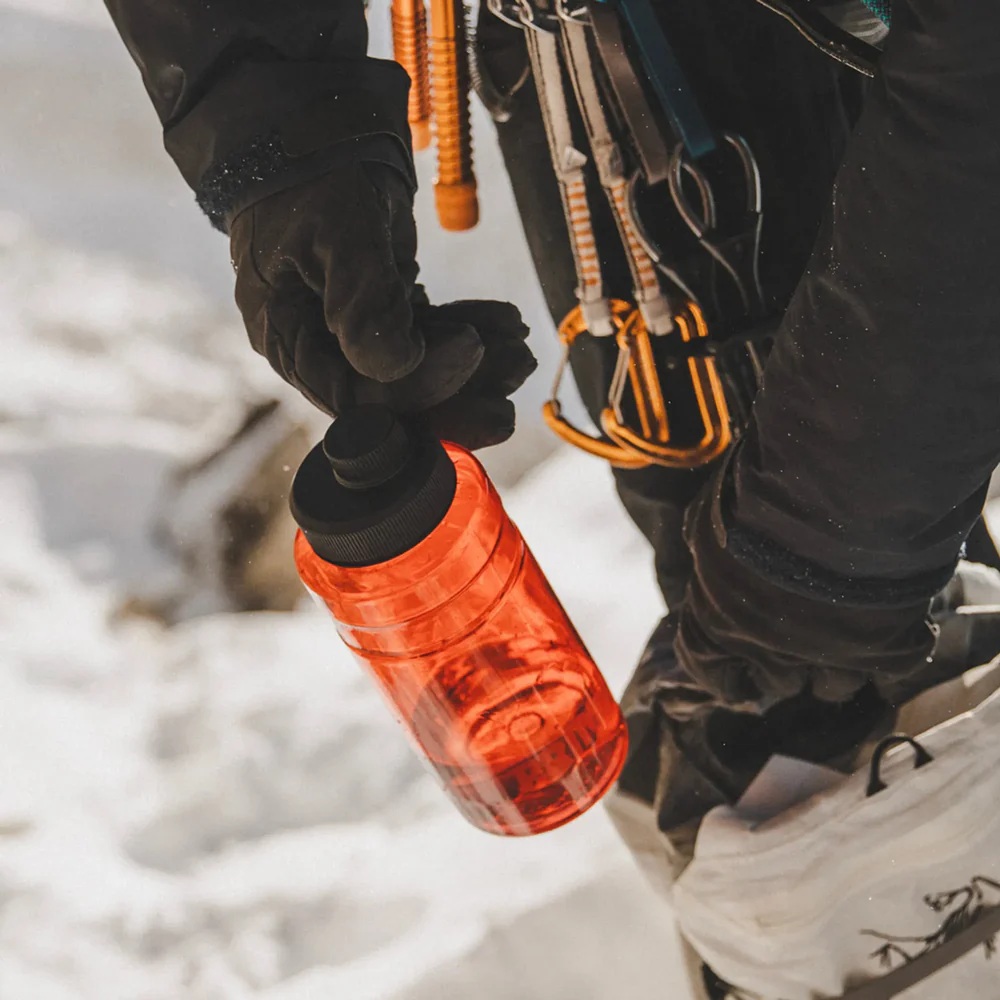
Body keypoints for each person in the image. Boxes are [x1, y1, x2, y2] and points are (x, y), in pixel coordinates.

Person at [104, 0, 1000, 866]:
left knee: (846, 671)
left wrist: (838, 534)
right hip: (592, 81)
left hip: (812, 86)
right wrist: (278, 129)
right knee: (765, 697)